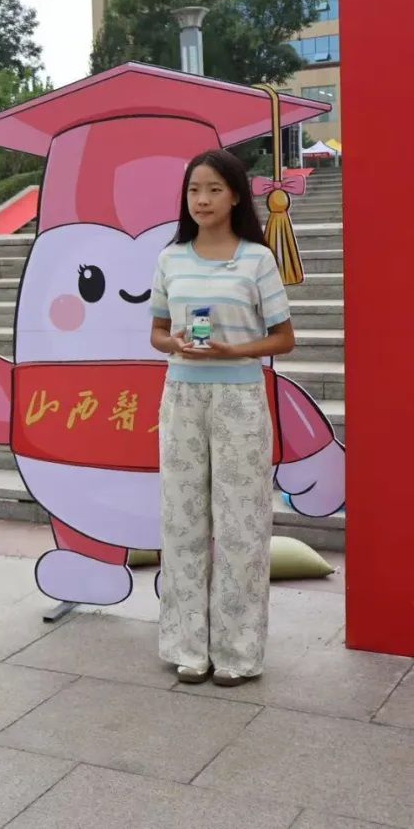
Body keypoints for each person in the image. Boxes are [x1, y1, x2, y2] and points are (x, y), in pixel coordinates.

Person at [149, 148, 295, 688]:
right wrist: (175, 343)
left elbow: (284, 338)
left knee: (241, 524)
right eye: (194, 190)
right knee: (182, 520)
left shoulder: (257, 260)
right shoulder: (170, 259)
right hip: (182, 397)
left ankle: (237, 652)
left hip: (240, 401)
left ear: (235, 195)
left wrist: (235, 351)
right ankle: (187, 647)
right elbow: (156, 332)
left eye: (213, 189)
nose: (202, 199)